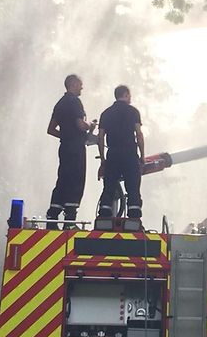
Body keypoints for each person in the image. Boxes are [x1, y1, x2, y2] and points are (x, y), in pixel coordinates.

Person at [46, 74, 95, 227]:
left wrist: (66, 136)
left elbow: (51, 129)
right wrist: (91, 126)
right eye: (80, 85)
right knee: (76, 180)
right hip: (76, 148)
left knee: (63, 179)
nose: (82, 88)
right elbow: (80, 125)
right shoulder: (75, 102)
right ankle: (70, 220)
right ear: (73, 85)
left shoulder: (59, 104)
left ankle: (52, 218)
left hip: (65, 147)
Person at [97, 84, 145, 219]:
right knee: (133, 187)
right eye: (129, 95)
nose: (130, 98)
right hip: (130, 155)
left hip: (113, 154)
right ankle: (134, 217)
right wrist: (142, 156)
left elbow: (100, 138)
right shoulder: (133, 112)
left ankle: (104, 215)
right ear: (126, 95)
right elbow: (139, 134)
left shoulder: (106, 113)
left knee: (109, 187)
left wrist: (103, 160)